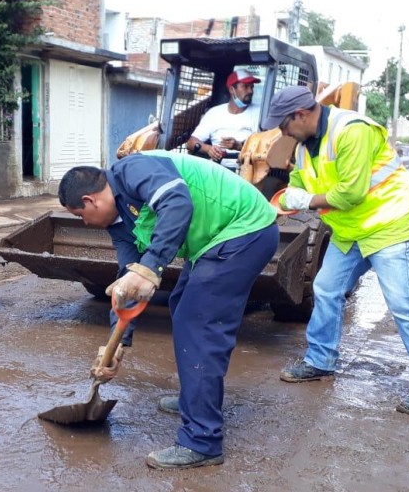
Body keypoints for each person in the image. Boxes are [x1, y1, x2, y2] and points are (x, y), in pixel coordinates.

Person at [58, 150, 279, 470]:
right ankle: (195, 398)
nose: (85, 223)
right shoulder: (119, 222)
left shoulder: (133, 170)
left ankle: (202, 441)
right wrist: (117, 344)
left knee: (198, 322)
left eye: (80, 216)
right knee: (182, 304)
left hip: (245, 229)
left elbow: (177, 202)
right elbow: (126, 284)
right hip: (214, 239)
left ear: (90, 201)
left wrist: (150, 268)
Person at [266, 85, 409, 415]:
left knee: (404, 303)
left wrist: (304, 200)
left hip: (390, 224)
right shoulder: (305, 147)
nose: (282, 132)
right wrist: (292, 194)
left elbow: (350, 195)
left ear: (301, 115)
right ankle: (321, 361)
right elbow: (300, 183)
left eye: (283, 124)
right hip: (352, 232)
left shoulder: (351, 131)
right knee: (326, 287)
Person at [185, 68, 262, 164]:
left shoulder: (260, 112)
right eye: (245, 86)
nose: (250, 91)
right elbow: (191, 143)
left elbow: (264, 145)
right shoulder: (214, 113)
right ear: (232, 90)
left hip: (247, 171)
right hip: (217, 170)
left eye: (252, 87)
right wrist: (209, 149)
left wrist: (239, 146)